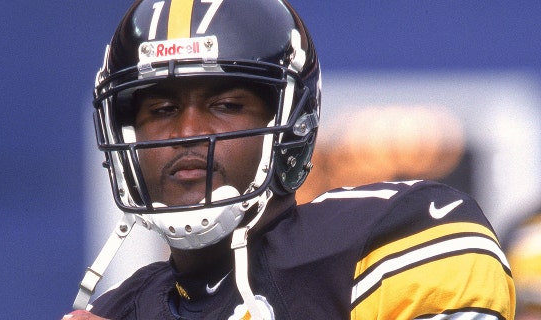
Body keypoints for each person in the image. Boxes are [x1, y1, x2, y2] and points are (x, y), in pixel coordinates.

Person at [63, 0, 515, 319]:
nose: (187, 132)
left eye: (226, 105)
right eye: (161, 110)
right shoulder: (116, 311)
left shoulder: (390, 239)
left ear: (291, 128)